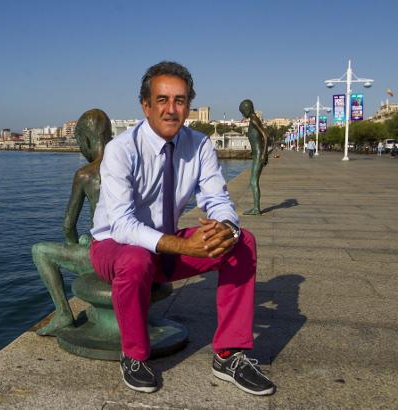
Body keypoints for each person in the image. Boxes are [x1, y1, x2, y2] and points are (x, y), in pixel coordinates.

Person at [90, 61, 275, 396]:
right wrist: (184, 246)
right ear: (145, 105)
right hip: (113, 247)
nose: (171, 109)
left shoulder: (199, 146)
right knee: (136, 259)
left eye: (180, 100)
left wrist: (226, 227)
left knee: (242, 242)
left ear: (189, 105)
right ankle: (134, 356)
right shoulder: (122, 150)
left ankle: (230, 354)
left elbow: (217, 199)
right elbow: (122, 225)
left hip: (166, 244)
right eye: (162, 100)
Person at [32, 109, 112, 336]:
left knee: (39, 251)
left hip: (106, 257)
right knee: (89, 238)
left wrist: (74, 246)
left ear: (85, 140)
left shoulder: (86, 174)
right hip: (132, 249)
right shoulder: (130, 165)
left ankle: (63, 313)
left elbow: (68, 225)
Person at [239, 99, 269, 215]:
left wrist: (263, 154)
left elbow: (265, 136)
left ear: (247, 109)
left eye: (243, 111)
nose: (242, 114)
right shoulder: (254, 119)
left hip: (258, 155)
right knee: (253, 181)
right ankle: (256, 207)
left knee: (253, 182)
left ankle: (256, 208)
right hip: (257, 154)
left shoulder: (254, 120)